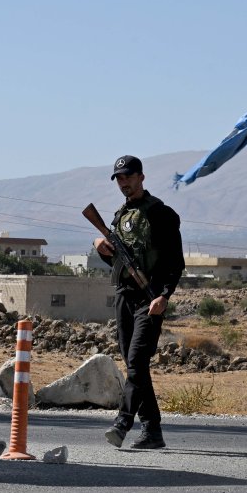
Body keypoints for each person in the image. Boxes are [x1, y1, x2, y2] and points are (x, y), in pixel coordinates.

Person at [93, 155, 183, 449]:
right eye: (119, 178)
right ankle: (152, 431)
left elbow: (175, 262)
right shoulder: (120, 217)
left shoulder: (160, 214)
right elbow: (117, 263)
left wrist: (164, 295)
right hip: (124, 297)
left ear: (141, 177)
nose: (124, 183)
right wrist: (102, 249)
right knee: (136, 367)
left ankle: (123, 422)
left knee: (136, 362)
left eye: (128, 177)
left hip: (150, 297)